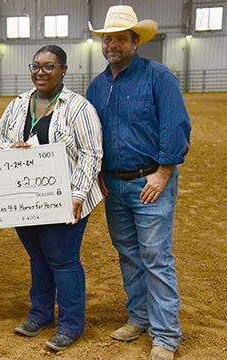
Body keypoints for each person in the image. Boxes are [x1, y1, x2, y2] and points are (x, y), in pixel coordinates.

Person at [86, 6, 191, 360]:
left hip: (150, 181)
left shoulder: (158, 76)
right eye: (107, 38)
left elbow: (176, 126)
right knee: (129, 254)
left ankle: (165, 335)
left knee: (155, 256)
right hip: (114, 183)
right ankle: (139, 317)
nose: (112, 44)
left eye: (119, 38)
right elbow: (94, 134)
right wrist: (100, 173)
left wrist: (163, 172)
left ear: (135, 42)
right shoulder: (98, 85)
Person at [0, 45, 103, 352]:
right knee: (38, 257)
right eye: (36, 66)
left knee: (63, 260)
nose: (40, 73)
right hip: (26, 198)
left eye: (49, 67)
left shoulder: (78, 107)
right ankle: (40, 315)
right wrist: (8, 149)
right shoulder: (17, 104)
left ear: (64, 70)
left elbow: (91, 154)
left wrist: (78, 194)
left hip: (66, 198)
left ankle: (70, 325)